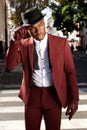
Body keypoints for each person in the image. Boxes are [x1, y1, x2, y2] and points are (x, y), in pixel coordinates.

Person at [5, 6, 79, 130]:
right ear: (27, 30)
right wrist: (14, 41)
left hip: (54, 95)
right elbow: (10, 64)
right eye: (32, 28)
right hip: (32, 96)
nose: (37, 30)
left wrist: (75, 99)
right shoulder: (23, 45)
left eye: (39, 25)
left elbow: (70, 72)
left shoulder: (61, 43)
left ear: (44, 23)